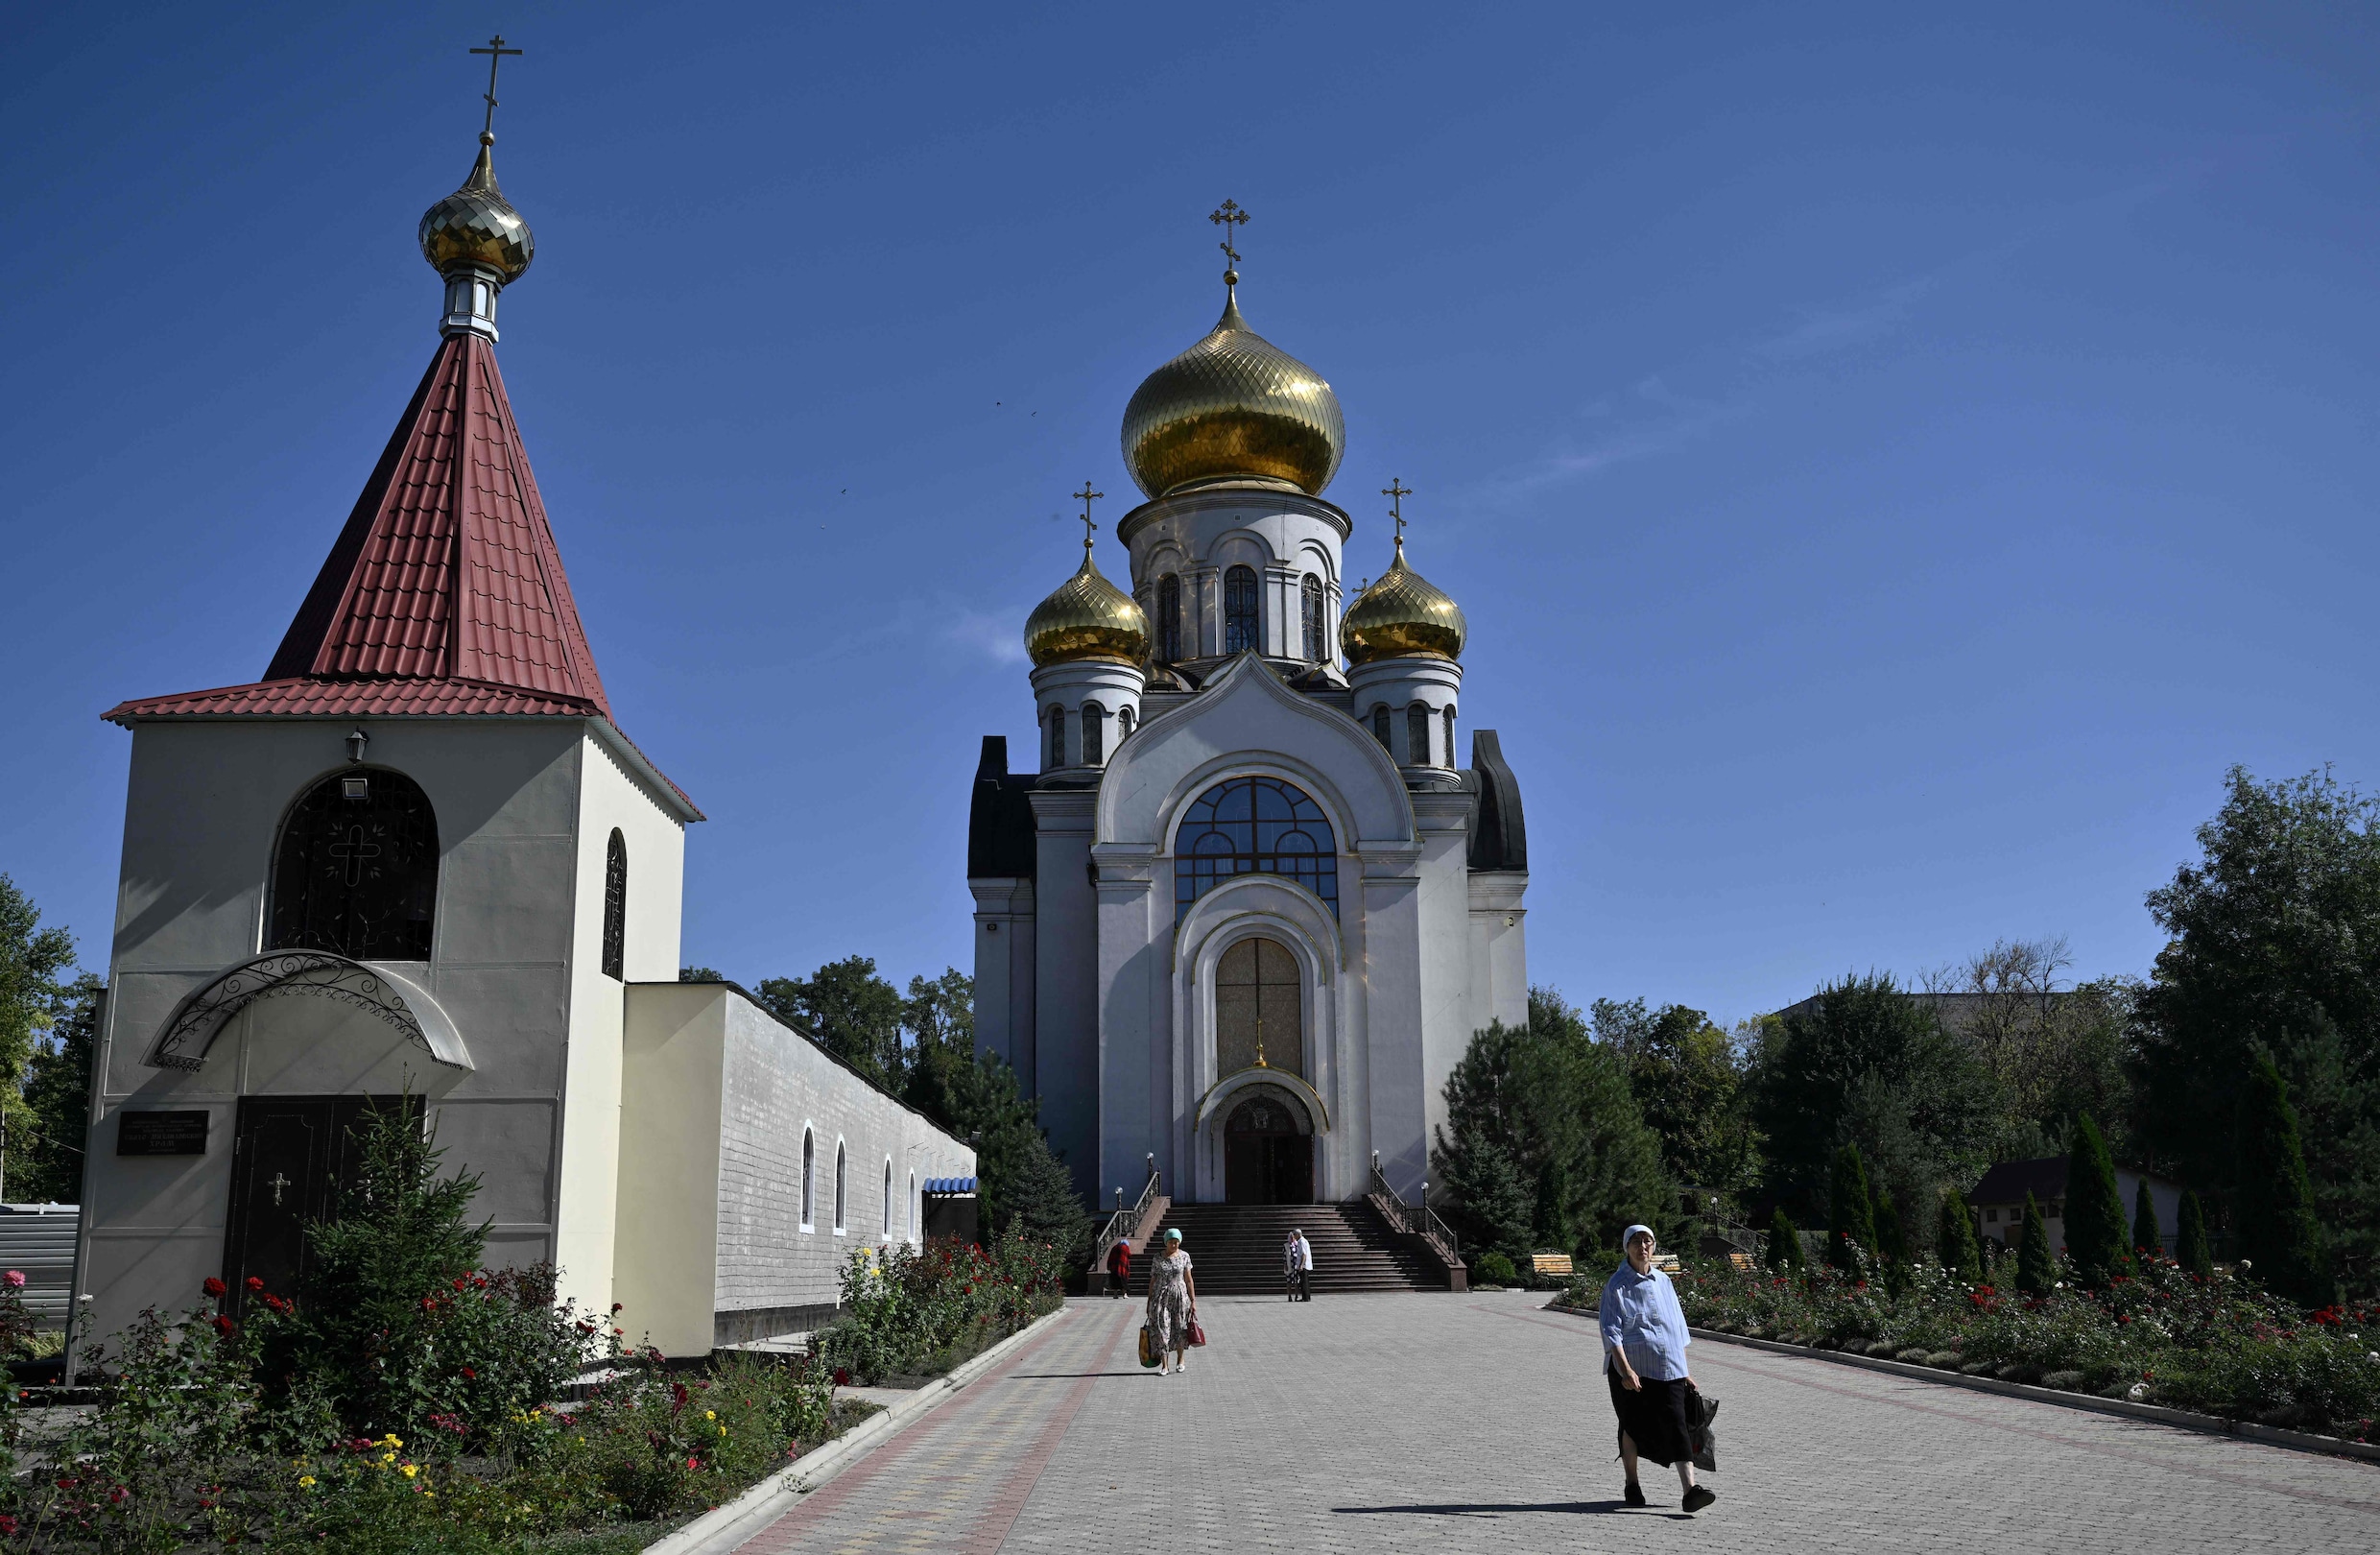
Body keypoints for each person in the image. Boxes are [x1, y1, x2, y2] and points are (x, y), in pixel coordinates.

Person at [1599, 1225, 1715, 1514]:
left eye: (1647, 1241)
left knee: (1678, 1423)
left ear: (1654, 1245)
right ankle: (1632, 1483)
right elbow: (1611, 1332)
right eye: (1636, 1241)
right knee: (1632, 1425)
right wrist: (1625, 1369)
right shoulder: (1617, 1284)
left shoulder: (1664, 1281)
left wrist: (1684, 1368)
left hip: (1669, 1366)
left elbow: (1677, 1326)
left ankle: (1690, 1491)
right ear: (1626, 1247)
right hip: (1632, 1370)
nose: (1642, 1246)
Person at [1146, 1227, 1198, 1375]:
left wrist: (1193, 1301)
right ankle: (1165, 1365)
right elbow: (1153, 1280)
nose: (1174, 1245)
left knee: (1180, 1327)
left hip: (1180, 1297)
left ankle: (1180, 1360)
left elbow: (1188, 1280)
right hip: (1161, 1297)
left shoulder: (1184, 1257)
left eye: (1176, 1242)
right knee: (1162, 1329)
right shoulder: (1157, 1258)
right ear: (1165, 1242)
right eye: (1171, 1242)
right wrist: (1149, 1302)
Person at [1283, 1228, 1303, 1302]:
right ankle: (1289, 1296)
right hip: (1289, 1265)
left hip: (1296, 1265)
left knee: (1296, 1281)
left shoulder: (1297, 1245)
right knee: (1289, 1281)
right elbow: (1284, 1256)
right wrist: (1285, 1265)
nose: (1292, 1238)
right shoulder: (1286, 1245)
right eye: (1291, 1237)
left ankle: (1296, 1296)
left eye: (1293, 1237)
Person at [1296, 1228, 1315, 1301]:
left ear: (1298, 1234)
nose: (1294, 1237)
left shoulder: (1302, 1242)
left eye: (1295, 1235)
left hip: (1304, 1265)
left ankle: (1305, 1297)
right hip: (1305, 1265)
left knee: (1304, 1282)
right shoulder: (1303, 1241)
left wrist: (1301, 1265)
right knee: (1304, 1281)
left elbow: (1304, 1254)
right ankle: (1306, 1296)